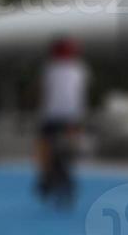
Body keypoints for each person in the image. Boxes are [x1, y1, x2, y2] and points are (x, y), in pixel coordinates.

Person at [36, 36, 89, 204]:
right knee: (69, 147)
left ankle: (45, 176)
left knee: (43, 144)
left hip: (51, 116)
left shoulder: (49, 69)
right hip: (73, 117)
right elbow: (80, 94)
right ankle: (68, 168)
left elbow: (43, 92)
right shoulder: (80, 69)